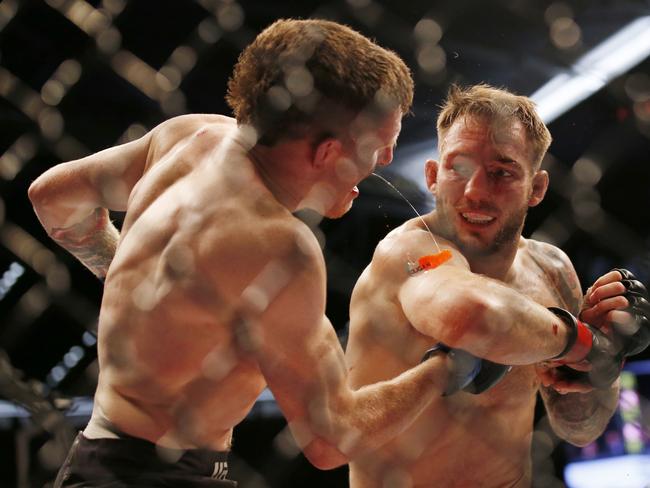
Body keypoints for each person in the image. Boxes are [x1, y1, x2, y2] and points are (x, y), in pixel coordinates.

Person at [29, 19, 450, 487]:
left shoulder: (189, 137)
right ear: (327, 152)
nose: (387, 161)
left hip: (94, 459)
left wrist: (115, 265)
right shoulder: (278, 246)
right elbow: (332, 438)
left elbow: (51, 197)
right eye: (378, 147)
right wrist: (445, 366)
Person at [345, 84, 650, 487]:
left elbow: (579, 428)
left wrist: (603, 364)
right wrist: (584, 341)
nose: (475, 192)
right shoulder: (409, 254)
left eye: (501, 172)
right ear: (434, 176)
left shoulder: (550, 269)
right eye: (459, 168)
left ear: (536, 188)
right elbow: (474, 317)